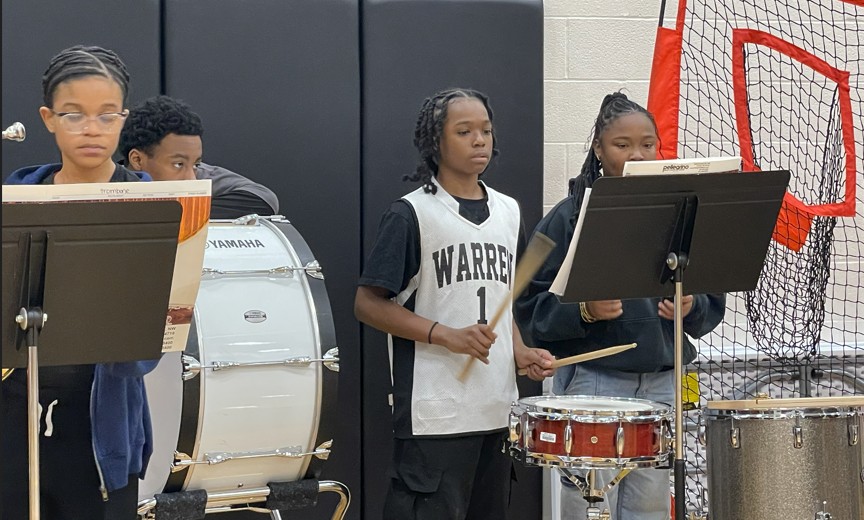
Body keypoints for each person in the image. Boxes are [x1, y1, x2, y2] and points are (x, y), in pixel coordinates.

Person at [514, 92, 726, 520]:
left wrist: (691, 304)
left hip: (664, 384)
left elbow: (711, 304)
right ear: (598, 149)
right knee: (589, 508)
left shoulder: (682, 212)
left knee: (648, 509)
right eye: (622, 144)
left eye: (648, 143)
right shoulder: (568, 216)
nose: (637, 154)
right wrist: (584, 312)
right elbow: (527, 308)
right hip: (594, 383)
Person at [354, 88, 555, 520]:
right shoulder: (411, 214)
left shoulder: (509, 211)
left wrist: (519, 352)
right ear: (435, 143)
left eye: (485, 130)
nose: (479, 140)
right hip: (434, 416)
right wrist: (445, 335)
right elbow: (368, 304)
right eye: (464, 131)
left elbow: (503, 301)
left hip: (496, 410)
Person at [3, 45, 157, 519]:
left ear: (122, 119)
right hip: (13, 414)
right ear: (48, 118)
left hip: (96, 426)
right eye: (75, 115)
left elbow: (149, 349)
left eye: (107, 115)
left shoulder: (151, 202)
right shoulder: (17, 193)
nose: (92, 128)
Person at [118, 94, 279, 219]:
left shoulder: (202, 175)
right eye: (178, 164)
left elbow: (264, 198)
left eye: (196, 164)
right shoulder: (106, 182)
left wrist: (180, 215)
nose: (192, 179)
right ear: (137, 160)